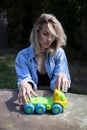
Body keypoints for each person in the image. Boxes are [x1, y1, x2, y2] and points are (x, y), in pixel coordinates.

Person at [15, 13, 71, 105]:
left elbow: (60, 88)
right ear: (37, 32)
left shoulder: (59, 53)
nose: (49, 39)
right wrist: (24, 83)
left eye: (53, 36)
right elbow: (24, 79)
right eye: (45, 34)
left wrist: (61, 75)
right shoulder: (22, 56)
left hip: (54, 101)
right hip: (31, 101)